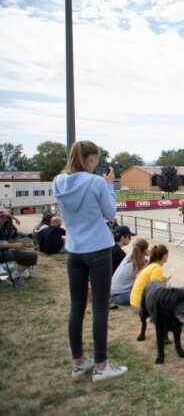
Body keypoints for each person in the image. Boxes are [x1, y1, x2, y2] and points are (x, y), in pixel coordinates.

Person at [53, 140, 127, 382]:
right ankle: (101, 365)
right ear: (90, 159)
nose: (97, 163)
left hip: (74, 249)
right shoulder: (96, 182)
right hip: (98, 248)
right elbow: (110, 213)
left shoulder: (59, 181)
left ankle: (78, 362)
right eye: (95, 159)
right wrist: (109, 186)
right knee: (99, 307)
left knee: (76, 307)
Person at [130, 244, 170, 311]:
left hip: (135, 303)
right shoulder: (157, 268)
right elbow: (155, 291)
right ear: (164, 256)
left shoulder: (150, 265)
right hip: (140, 306)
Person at [111, 238, 149, 306]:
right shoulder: (135, 265)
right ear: (145, 250)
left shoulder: (130, 256)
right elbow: (141, 282)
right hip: (119, 297)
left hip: (113, 293)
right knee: (146, 293)